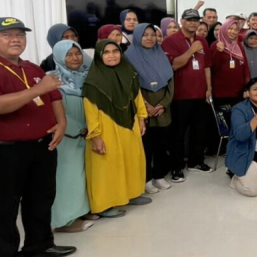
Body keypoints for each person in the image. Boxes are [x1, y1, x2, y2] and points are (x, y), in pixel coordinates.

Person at [0, 17, 74, 257]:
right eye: (7, 35)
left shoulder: (31, 68)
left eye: (20, 35)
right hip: (4, 151)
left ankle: (39, 244)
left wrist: (61, 123)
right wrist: (38, 88)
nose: (16, 40)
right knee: (5, 206)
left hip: (41, 145)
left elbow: (54, 96)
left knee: (41, 198)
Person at [83, 39, 149, 216]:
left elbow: (137, 97)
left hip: (129, 122)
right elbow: (90, 110)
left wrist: (142, 117)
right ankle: (105, 205)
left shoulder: (129, 72)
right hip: (106, 126)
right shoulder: (93, 79)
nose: (112, 55)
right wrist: (95, 135)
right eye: (106, 52)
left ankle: (132, 193)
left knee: (131, 159)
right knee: (108, 165)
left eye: (115, 51)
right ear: (99, 55)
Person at [161, 9, 212, 180]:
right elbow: (174, 65)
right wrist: (191, 51)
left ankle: (195, 161)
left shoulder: (202, 41)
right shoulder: (171, 41)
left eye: (196, 20)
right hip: (180, 95)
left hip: (200, 93)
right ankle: (177, 166)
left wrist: (209, 88)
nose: (193, 23)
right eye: (189, 20)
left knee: (200, 130)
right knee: (179, 133)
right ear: (182, 21)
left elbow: (206, 66)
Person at [49, 41, 94, 232]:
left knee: (84, 173)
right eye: (69, 55)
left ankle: (81, 210)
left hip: (89, 133)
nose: (75, 58)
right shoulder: (51, 79)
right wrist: (77, 128)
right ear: (59, 57)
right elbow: (53, 110)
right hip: (67, 136)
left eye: (78, 53)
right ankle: (64, 221)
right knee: (67, 177)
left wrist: (91, 127)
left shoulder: (87, 75)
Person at [126, 23, 175, 194]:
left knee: (161, 145)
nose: (149, 38)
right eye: (145, 34)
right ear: (138, 36)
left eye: (152, 34)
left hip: (162, 109)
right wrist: (145, 106)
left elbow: (170, 81)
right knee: (145, 147)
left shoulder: (160, 54)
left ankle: (159, 176)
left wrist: (163, 104)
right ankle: (146, 179)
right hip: (142, 110)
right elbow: (130, 85)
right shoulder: (129, 57)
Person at [211, 18, 251, 110]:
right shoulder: (216, 45)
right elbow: (213, 68)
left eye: (236, 29)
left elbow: (245, 67)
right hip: (221, 93)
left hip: (239, 92)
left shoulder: (238, 46)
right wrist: (218, 51)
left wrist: (247, 87)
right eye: (230, 28)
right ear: (224, 29)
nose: (233, 31)